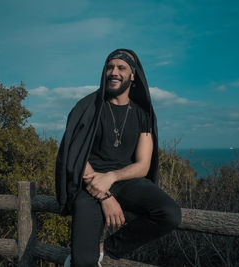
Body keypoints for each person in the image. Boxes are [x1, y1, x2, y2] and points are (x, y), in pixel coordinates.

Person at [55, 49, 181, 267]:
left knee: (169, 214)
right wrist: (104, 196)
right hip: (89, 185)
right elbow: (75, 155)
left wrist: (112, 177)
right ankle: (84, 256)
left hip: (126, 182)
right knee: (83, 261)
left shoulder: (143, 113)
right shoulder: (88, 107)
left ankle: (105, 249)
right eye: (109, 67)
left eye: (121, 67)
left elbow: (143, 165)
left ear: (133, 75)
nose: (114, 72)